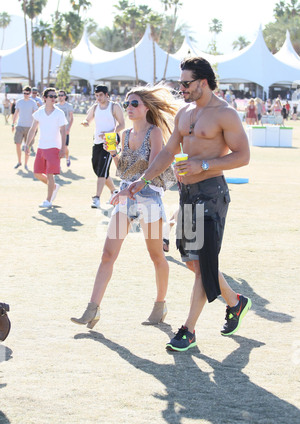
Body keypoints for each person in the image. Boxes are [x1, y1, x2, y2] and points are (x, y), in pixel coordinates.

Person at [128, 57, 252, 352]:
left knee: (205, 261)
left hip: (212, 194)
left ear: (203, 83)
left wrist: (204, 164)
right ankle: (235, 302)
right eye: (180, 82)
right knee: (195, 263)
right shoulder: (184, 113)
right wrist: (143, 180)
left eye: (186, 83)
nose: (180, 88)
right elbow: (169, 151)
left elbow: (243, 156)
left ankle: (188, 330)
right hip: (187, 196)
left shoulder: (225, 114)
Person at [71, 84, 178, 329]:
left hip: (148, 196)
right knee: (108, 254)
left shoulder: (154, 133)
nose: (129, 107)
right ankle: (92, 309)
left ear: (146, 107)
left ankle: (160, 305)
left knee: (156, 256)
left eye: (134, 104)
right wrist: (113, 152)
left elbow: (153, 170)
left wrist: (129, 189)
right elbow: (122, 170)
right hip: (127, 196)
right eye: (127, 103)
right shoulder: (125, 135)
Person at [81, 85, 125, 208]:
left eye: (101, 95)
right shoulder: (95, 107)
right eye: (96, 95)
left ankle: (96, 198)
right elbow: (88, 120)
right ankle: (114, 191)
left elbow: (122, 124)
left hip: (110, 140)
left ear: (107, 95)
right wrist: (85, 123)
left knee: (102, 170)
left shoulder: (114, 106)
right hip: (97, 141)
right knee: (97, 168)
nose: (98, 98)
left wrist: (109, 134)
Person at [25, 87, 67, 208]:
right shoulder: (39, 112)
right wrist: (27, 144)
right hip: (41, 147)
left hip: (54, 147)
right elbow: (33, 129)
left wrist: (63, 148)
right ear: (45, 98)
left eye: (55, 96)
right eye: (51, 96)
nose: (54, 99)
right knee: (37, 173)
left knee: (50, 174)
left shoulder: (59, 113)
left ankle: (48, 201)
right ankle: (53, 187)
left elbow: (63, 131)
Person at [12, 86, 38, 170]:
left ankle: (26, 164)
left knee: (28, 147)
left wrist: (35, 126)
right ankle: (19, 162)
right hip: (20, 126)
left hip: (29, 127)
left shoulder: (33, 102)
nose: (25, 95)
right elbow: (16, 113)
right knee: (17, 144)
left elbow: (36, 115)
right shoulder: (19, 102)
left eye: (27, 93)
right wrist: (13, 124)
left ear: (30, 93)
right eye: (24, 93)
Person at [56, 90, 74, 167]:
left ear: (65, 96)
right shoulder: (56, 106)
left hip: (65, 130)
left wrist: (68, 128)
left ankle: (67, 158)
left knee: (65, 147)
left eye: (62, 95)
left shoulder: (68, 106)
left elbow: (71, 118)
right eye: (59, 95)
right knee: (57, 147)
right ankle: (58, 164)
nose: (60, 97)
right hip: (57, 131)